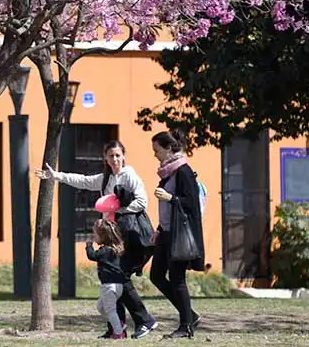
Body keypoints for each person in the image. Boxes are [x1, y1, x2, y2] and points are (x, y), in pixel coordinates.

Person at [35, 140, 157, 339]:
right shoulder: (105, 179)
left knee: (120, 279)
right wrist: (55, 176)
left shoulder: (130, 176)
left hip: (128, 235)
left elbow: (142, 202)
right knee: (115, 278)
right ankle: (117, 329)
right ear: (105, 158)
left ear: (124, 156)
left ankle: (145, 321)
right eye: (111, 156)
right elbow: (82, 180)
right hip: (113, 236)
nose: (115, 159)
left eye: (118, 155)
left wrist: (117, 210)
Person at [150, 128, 205, 339]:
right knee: (156, 275)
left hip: (179, 235)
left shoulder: (183, 170)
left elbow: (191, 203)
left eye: (156, 150)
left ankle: (186, 326)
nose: (154, 154)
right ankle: (189, 315)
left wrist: (170, 198)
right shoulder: (167, 172)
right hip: (165, 232)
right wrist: (159, 228)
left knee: (177, 278)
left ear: (168, 148)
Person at [85, 219, 129, 339]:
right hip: (118, 286)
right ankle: (118, 325)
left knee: (110, 310)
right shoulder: (116, 249)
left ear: (103, 236)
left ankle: (119, 333)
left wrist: (89, 245)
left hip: (108, 286)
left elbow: (92, 256)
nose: (94, 237)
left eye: (95, 235)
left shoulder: (104, 251)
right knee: (101, 307)